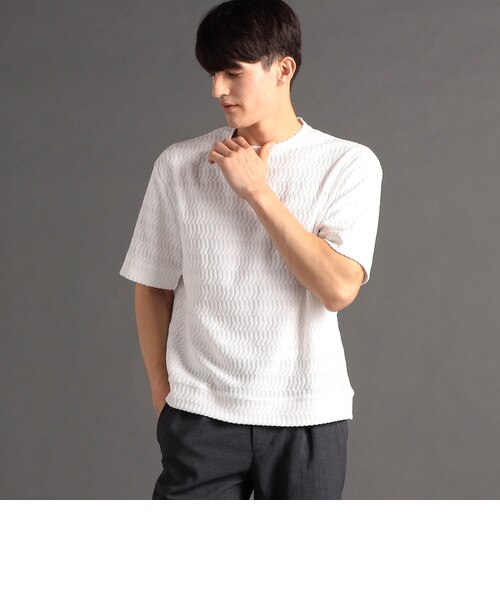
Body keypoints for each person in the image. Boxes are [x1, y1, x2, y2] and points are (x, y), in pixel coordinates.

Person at [119, 0, 383, 500]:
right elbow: (152, 284)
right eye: (212, 73)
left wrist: (259, 192)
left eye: (233, 72)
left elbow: (337, 288)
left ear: (283, 69)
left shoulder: (348, 164)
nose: (217, 89)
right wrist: (162, 391)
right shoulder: (180, 164)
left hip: (308, 414)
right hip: (199, 417)